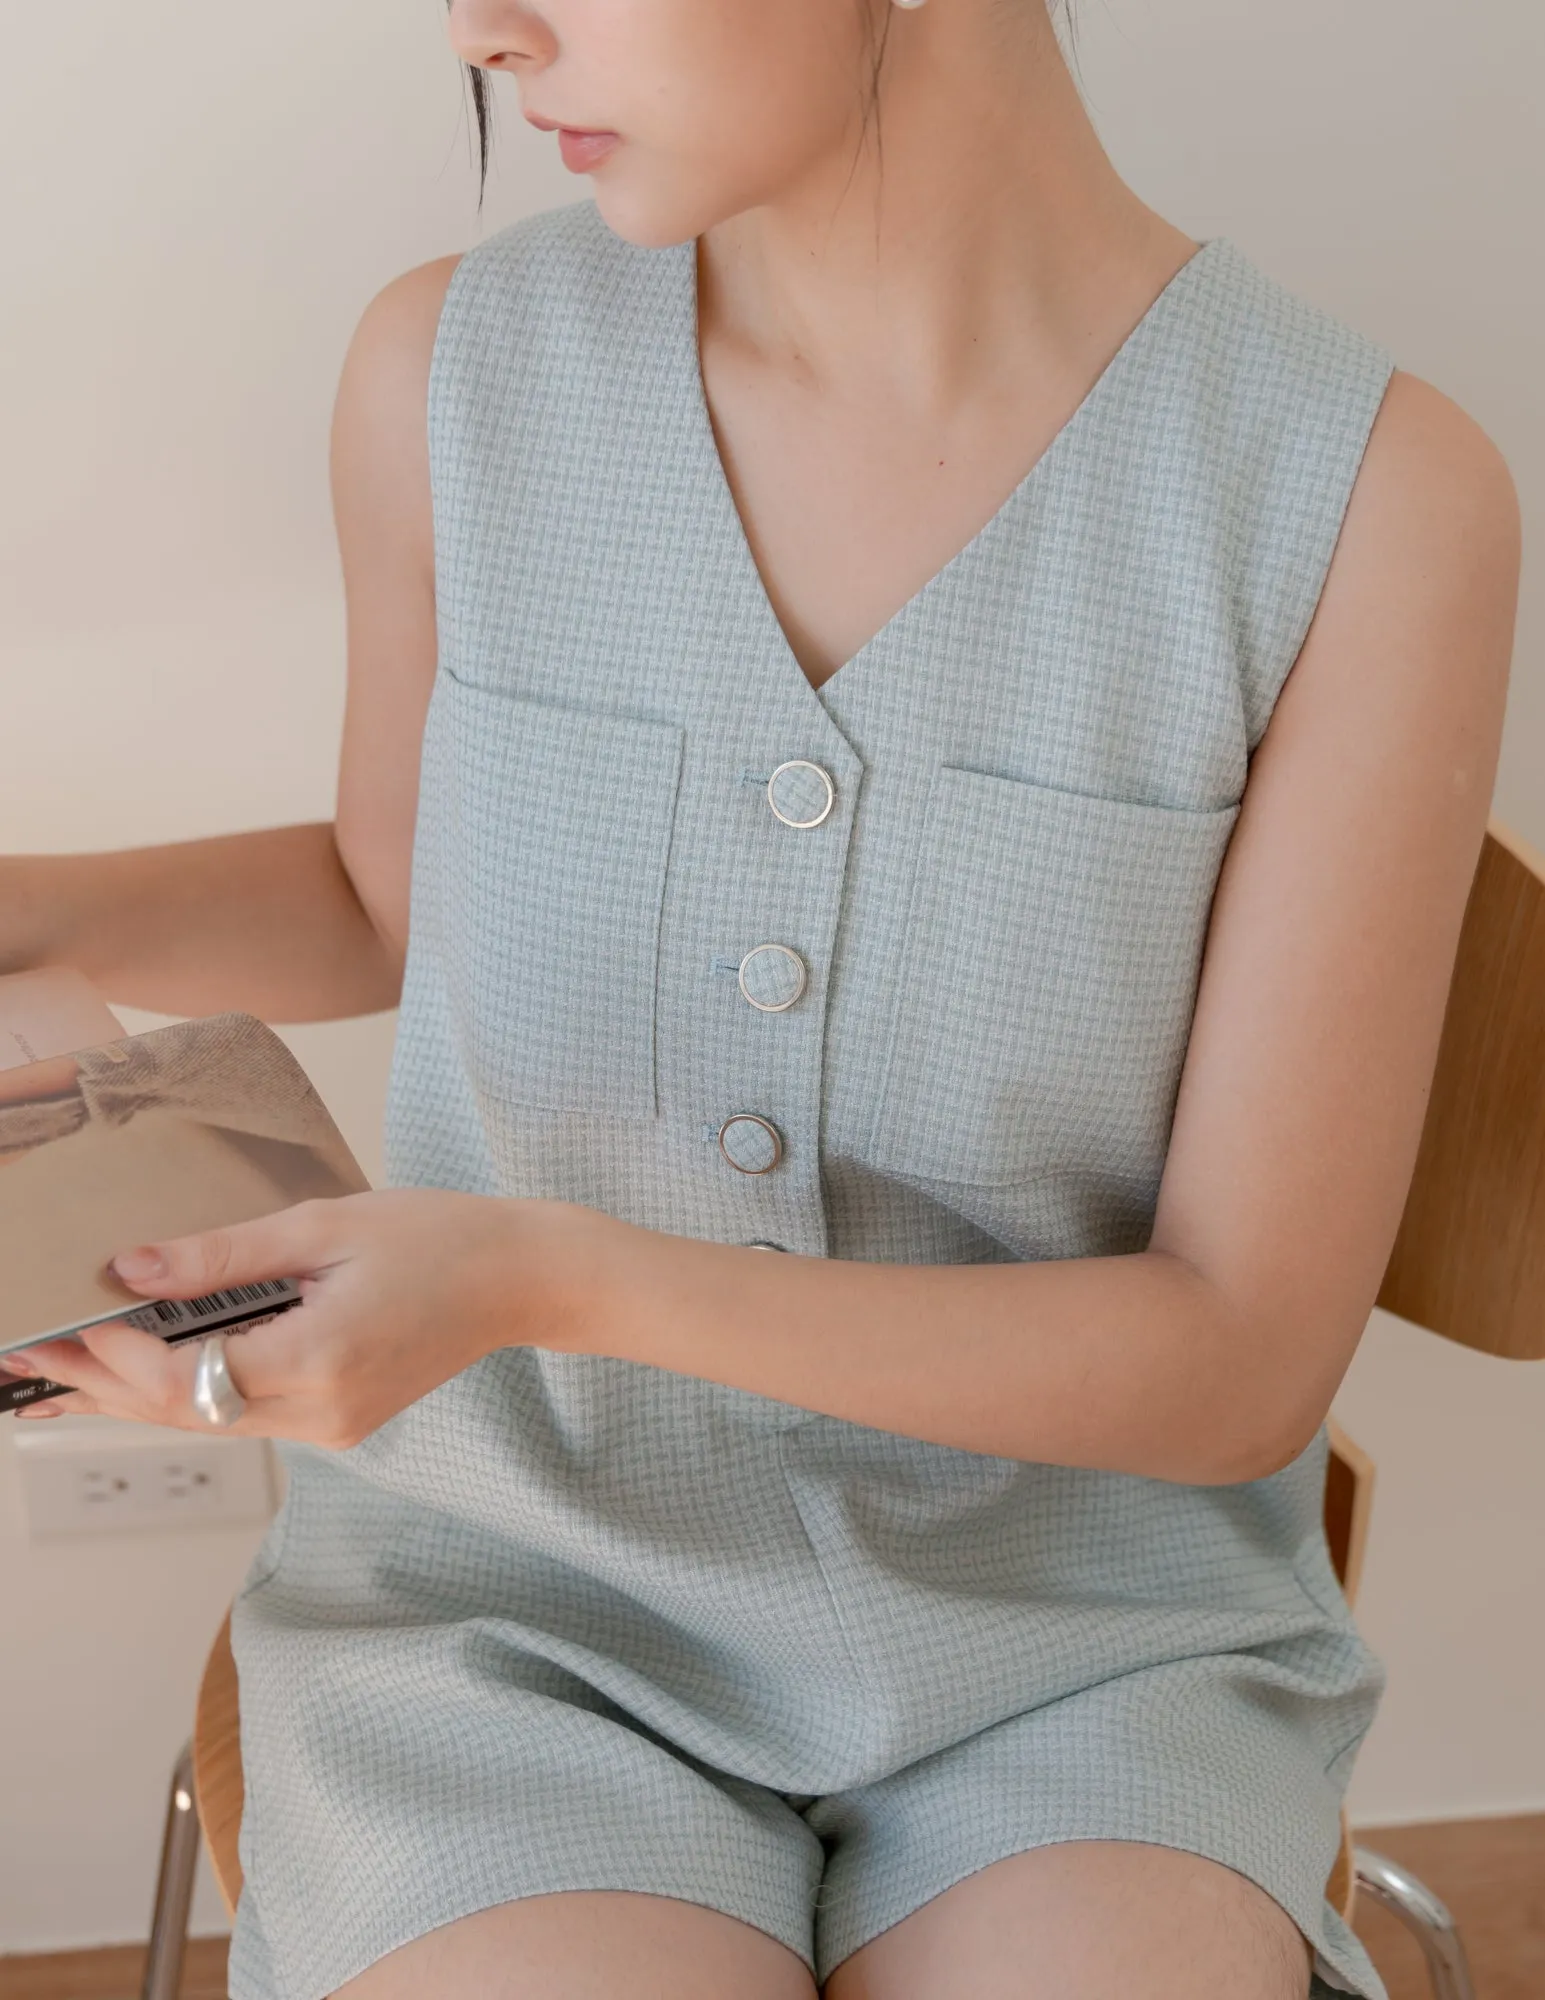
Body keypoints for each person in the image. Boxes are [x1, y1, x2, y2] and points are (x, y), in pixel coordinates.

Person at [1, 0, 1519, 1993]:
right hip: (508, 1605)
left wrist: (534, 1278)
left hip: (1088, 1642)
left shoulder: (1364, 497)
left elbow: (1237, 1356)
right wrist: (26, 909)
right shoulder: (452, 373)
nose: (483, 29)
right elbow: (386, 888)